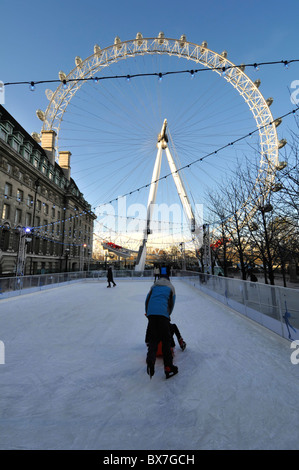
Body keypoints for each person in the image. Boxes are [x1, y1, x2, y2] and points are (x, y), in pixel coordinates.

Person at [145, 266, 178, 379]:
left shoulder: (154, 286)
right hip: (163, 314)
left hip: (151, 313)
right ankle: (168, 367)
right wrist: (167, 314)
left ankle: (150, 362)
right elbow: (172, 304)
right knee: (166, 340)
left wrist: (148, 313)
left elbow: (147, 300)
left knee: (153, 339)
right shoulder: (171, 287)